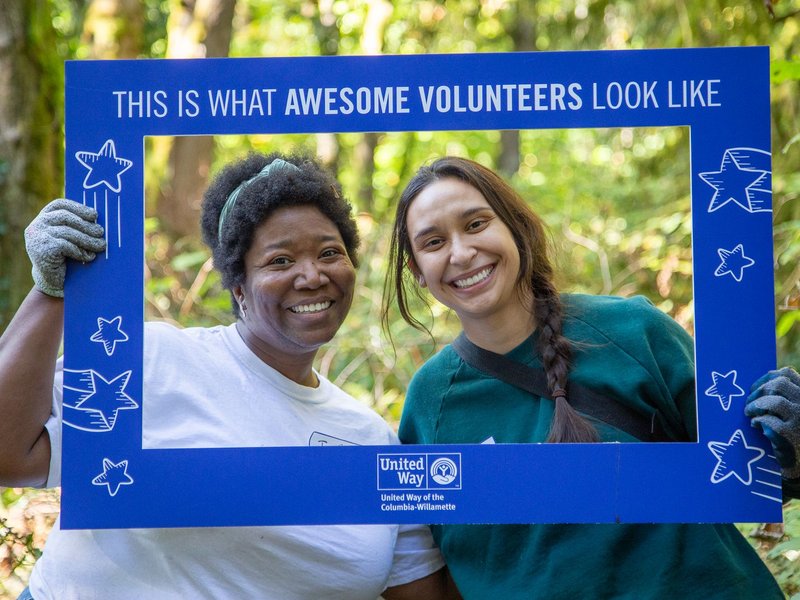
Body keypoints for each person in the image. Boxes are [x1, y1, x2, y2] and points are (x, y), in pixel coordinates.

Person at [0, 152, 455, 600]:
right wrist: (52, 290)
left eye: (329, 253)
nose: (312, 275)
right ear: (238, 287)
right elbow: (10, 455)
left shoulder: (371, 439)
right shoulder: (157, 359)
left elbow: (422, 589)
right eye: (280, 261)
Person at [382, 155, 800, 599]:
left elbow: (757, 475)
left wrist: (793, 441)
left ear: (516, 227)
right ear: (417, 273)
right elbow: (434, 569)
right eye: (432, 242)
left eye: (476, 224)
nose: (461, 253)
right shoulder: (431, 402)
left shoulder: (632, 331)